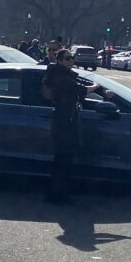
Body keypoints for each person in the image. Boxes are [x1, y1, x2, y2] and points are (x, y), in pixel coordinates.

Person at [42, 47, 85, 204]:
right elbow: (80, 89)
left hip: (64, 121)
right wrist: (97, 87)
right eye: (67, 58)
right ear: (59, 60)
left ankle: (58, 194)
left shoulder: (60, 74)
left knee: (63, 160)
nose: (71, 60)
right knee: (63, 160)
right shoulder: (61, 77)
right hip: (63, 123)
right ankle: (58, 195)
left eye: (72, 57)